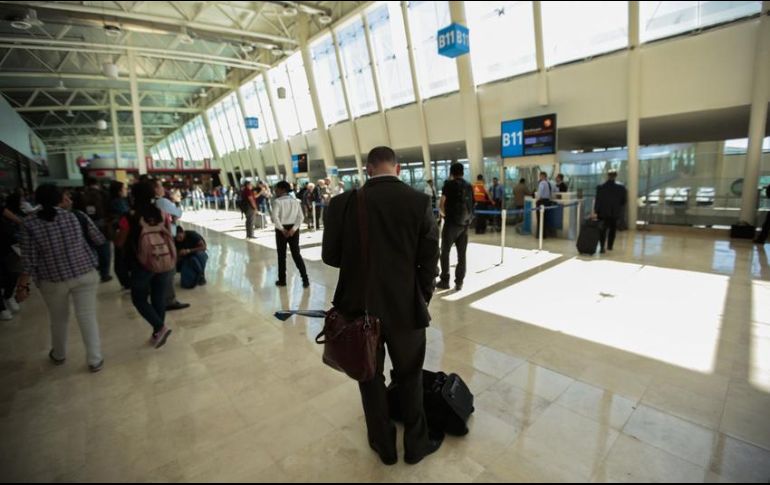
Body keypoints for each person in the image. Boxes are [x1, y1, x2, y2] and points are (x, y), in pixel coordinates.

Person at [322, 146, 442, 466]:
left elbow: (330, 257)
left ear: (368, 169)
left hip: (357, 307)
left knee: (369, 375)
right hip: (406, 309)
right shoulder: (419, 202)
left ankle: (383, 444)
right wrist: (422, 297)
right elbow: (430, 260)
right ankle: (416, 445)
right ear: (398, 168)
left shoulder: (342, 203)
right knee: (410, 375)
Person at [16, 185, 104, 372]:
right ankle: (94, 360)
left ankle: (59, 354)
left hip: (52, 279)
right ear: (59, 198)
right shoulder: (75, 216)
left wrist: (23, 285)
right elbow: (99, 239)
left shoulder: (29, 223)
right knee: (87, 317)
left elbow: (29, 260)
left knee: (58, 318)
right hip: (84, 272)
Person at [115, 180, 174, 348]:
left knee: (138, 298)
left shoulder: (129, 216)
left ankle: (159, 328)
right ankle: (158, 332)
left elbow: (120, 242)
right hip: (163, 259)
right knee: (158, 297)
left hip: (142, 263)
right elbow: (169, 234)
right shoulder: (161, 213)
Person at [152, 179, 189, 311]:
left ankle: (159, 297)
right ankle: (168, 299)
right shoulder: (162, 201)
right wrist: (176, 201)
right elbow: (178, 213)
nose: (163, 189)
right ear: (155, 189)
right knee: (169, 269)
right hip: (166, 237)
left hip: (154, 239)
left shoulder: (150, 202)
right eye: (160, 186)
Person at [438, 163, 474, 292]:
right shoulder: (469, 186)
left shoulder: (448, 185)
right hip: (464, 224)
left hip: (451, 224)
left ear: (451, 173)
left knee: (445, 252)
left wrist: (444, 215)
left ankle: (444, 280)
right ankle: (459, 283)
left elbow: (441, 204)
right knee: (462, 255)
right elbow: (472, 205)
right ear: (463, 172)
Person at [272, 181, 309, 288]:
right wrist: (293, 229)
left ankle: (282, 280)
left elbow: (275, 218)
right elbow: (301, 217)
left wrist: (282, 229)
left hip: (281, 230)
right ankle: (305, 279)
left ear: (282, 189)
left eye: (277, 188)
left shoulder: (277, 202)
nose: (275, 190)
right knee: (296, 254)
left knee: (281, 255)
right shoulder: (295, 201)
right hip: (294, 229)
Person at [75, 177, 112, 283]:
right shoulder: (104, 193)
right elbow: (109, 209)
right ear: (97, 183)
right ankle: (105, 274)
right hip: (102, 225)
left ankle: (94, 270)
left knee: (90, 248)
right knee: (104, 249)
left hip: (85, 224)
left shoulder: (80, 194)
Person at [0, 192, 23, 321]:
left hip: (5, 244)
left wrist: (21, 222)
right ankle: (2, 308)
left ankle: (8, 296)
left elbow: (5, 212)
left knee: (13, 273)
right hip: (6, 242)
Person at [593, 169, 628, 253]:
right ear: (616, 176)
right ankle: (610, 246)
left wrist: (595, 211)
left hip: (602, 212)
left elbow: (597, 200)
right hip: (614, 212)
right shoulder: (621, 188)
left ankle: (602, 247)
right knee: (612, 230)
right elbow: (624, 201)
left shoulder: (600, 187)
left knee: (602, 230)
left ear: (608, 175)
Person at [108, 181, 131, 289]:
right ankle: (126, 281)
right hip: (122, 232)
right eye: (124, 188)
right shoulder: (119, 202)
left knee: (120, 256)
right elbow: (127, 215)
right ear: (119, 191)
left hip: (118, 232)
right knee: (122, 257)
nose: (126, 190)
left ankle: (125, 280)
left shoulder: (113, 201)